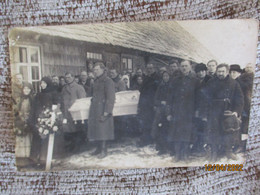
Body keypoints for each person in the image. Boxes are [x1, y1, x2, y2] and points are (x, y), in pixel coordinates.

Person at [200, 64, 244, 161]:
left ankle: (228, 151)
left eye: (222, 71)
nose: (220, 74)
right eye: (219, 71)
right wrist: (204, 113)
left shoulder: (234, 83)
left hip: (228, 111)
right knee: (214, 132)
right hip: (213, 111)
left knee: (229, 132)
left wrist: (236, 112)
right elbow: (204, 98)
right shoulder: (211, 82)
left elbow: (239, 99)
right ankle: (214, 152)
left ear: (227, 72)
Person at [167, 60, 199, 161]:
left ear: (190, 67)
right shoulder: (175, 80)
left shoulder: (195, 81)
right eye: (182, 66)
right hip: (177, 112)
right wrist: (168, 112)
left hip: (189, 112)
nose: (184, 68)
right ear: (180, 68)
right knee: (176, 133)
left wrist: (197, 111)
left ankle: (185, 155)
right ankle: (177, 155)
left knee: (187, 134)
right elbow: (170, 98)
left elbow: (199, 98)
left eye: (186, 66)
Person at [88, 62, 115, 158]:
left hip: (103, 109)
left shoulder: (108, 81)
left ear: (103, 70)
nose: (95, 72)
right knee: (97, 130)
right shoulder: (95, 81)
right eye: (94, 70)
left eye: (97, 70)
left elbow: (111, 98)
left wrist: (107, 111)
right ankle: (98, 148)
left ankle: (104, 150)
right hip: (95, 109)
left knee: (103, 130)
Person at [30, 77, 59, 166]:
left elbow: (55, 107)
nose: (42, 85)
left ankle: (44, 159)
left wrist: (50, 118)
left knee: (47, 139)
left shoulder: (53, 94)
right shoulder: (38, 95)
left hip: (48, 120)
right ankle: (34, 158)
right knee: (37, 137)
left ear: (48, 84)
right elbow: (34, 108)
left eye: (44, 83)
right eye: (41, 83)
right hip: (38, 120)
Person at [61, 72, 86, 154]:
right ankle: (72, 146)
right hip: (67, 111)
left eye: (68, 77)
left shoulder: (79, 87)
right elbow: (62, 100)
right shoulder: (64, 88)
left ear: (73, 77)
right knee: (69, 130)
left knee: (77, 129)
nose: (67, 79)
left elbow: (82, 100)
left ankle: (78, 147)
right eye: (66, 78)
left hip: (76, 112)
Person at [137, 63, 160, 146]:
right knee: (145, 122)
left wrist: (156, 104)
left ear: (154, 68)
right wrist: (139, 105)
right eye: (148, 68)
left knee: (152, 122)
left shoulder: (157, 78)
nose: (149, 70)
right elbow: (142, 92)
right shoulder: (146, 78)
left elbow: (158, 92)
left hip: (152, 104)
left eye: (151, 68)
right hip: (144, 104)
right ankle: (146, 139)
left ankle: (151, 139)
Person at [151, 71, 171, 155]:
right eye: (164, 76)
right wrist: (160, 102)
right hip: (161, 111)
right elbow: (155, 99)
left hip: (169, 111)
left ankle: (169, 147)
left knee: (168, 129)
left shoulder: (172, 86)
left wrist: (168, 103)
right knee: (160, 128)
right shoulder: (160, 86)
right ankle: (161, 147)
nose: (165, 78)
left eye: (167, 76)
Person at [14, 83, 34, 168]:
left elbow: (33, 110)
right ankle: (21, 159)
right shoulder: (19, 99)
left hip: (29, 121)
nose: (26, 90)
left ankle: (29, 158)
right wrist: (20, 118)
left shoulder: (32, 99)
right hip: (20, 121)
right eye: (25, 89)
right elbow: (16, 110)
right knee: (21, 139)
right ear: (22, 90)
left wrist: (29, 118)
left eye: (28, 89)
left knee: (29, 139)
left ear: (30, 90)